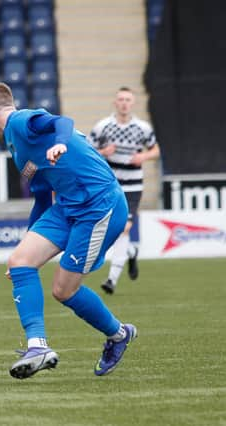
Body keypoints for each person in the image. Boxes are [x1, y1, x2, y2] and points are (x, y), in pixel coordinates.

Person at [0, 82, 137, 379]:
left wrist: (60, 142)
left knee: (63, 290)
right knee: (20, 261)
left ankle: (119, 334)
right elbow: (40, 197)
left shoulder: (21, 121)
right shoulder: (16, 148)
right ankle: (38, 346)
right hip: (66, 206)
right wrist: (30, 244)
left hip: (99, 205)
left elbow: (61, 122)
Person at [88, 87, 160, 294]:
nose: (124, 103)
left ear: (133, 103)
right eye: (120, 99)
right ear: (115, 102)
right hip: (109, 185)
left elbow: (155, 150)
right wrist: (103, 152)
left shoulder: (142, 128)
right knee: (112, 229)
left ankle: (111, 279)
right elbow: (88, 152)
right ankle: (131, 251)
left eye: (128, 99)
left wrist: (143, 157)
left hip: (133, 186)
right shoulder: (103, 126)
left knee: (125, 228)